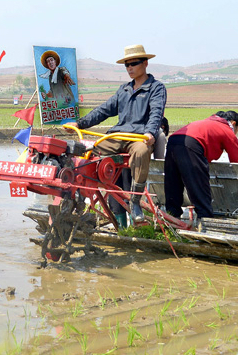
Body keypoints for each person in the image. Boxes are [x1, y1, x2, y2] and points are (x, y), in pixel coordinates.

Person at [65, 44, 166, 224]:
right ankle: (77, 193)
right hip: (117, 136)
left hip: (138, 137)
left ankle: (134, 201)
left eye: (134, 63)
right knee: (86, 150)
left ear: (145, 63)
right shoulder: (124, 90)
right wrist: (78, 124)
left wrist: (150, 133)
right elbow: (103, 111)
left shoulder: (156, 88)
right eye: (127, 65)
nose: (130, 68)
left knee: (142, 151)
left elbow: (156, 113)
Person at [163, 110, 238, 223]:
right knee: (198, 184)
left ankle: (172, 219)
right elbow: (237, 162)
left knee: (173, 184)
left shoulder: (207, 122)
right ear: (234, 124)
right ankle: (205, 221)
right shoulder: (227, 130)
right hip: (191, 144)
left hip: (173, 140)